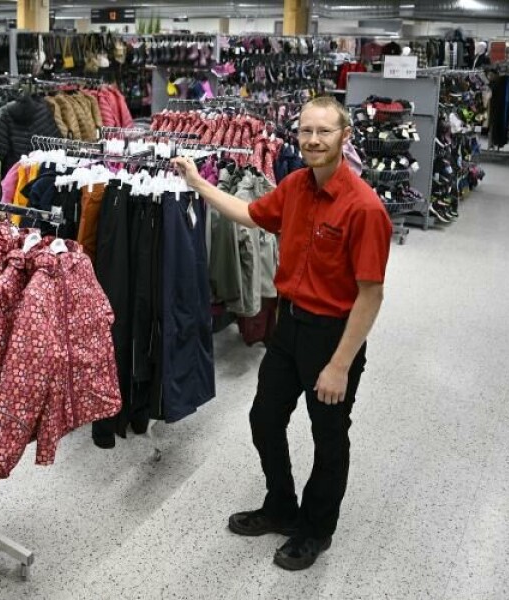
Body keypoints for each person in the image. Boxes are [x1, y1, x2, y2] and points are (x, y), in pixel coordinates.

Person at [172, 96, 393, 571]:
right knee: (264, 419)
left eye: (324, 132)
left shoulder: (365, 208)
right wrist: (197, 184)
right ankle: (280, 505)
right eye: (306, 131)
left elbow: (370, 295)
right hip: (288, 325)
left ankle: (315, 529)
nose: (313, 140)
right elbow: (250, 214)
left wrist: (339, 365)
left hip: (333, 336)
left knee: (328, 436)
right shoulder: (294, 185)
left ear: (344, 137)